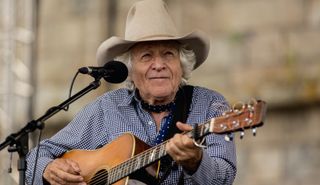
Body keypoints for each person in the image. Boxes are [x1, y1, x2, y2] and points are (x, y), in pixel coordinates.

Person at [26, 0, 237, 184]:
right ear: (130, 68)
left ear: (181, 64)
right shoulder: (107, 107)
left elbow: (224, 177)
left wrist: (196, 161)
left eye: (168, 54)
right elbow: (37, 156)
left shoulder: (210, 105)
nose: (158, 65)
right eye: (146, 56)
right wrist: (48, 169)